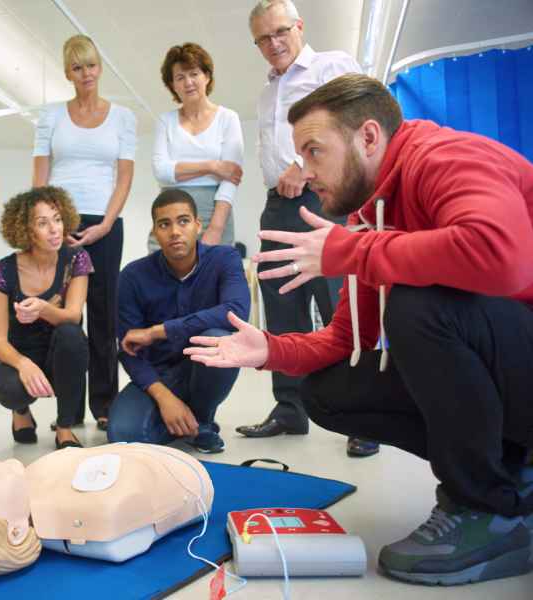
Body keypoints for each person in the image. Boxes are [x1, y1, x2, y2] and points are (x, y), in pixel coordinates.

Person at [185, 73, 533, 585]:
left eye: (313, 151)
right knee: (328, 391)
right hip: (512, 369)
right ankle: (510, 472)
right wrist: (268, 350)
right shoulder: (372, 216)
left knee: (418, 306)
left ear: (368, 137)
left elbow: (502, 258)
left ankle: (487, 508)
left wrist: (353, 252)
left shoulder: (444, 157)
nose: (305, 172)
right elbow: (345, 343)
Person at [237, 0, 378, 458]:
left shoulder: (330, 65)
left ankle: (366, 415)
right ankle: (289, 407)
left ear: (299, 26)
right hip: (279, 203)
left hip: (327, 197)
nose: (273, 43)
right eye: (262, 38)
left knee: (342, 304)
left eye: (280, 31)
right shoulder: (266, 91)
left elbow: (355, 120)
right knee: (281, 303)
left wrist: (304, 164)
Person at [33, 34, 136, 432]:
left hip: (105, 223)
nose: (86, 73)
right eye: (77, 67)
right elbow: (40, 174)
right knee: (65, 317)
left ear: (100, 66)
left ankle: (106, 403)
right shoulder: (51, 115)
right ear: (67, 73)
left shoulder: (123, 117)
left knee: (104, 317)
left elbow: (124, 177)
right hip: (60, 222)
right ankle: (69, 411)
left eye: (91, 65)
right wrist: (43, 223)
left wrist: (106, 224)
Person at [108, 189, 250, 454]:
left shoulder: (224, 259)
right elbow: (128, 349)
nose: (175, 231)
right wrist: (163, 398)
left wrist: (159, 331)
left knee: (219, 336)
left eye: (183, 221)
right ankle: (184, 420)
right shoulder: (132, 276)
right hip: (159, 374)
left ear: (198, 225)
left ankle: (203, 418)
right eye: (165, 224)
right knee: (123, 436)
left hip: (204, 366)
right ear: (154, 232)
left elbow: (237, 311)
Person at [0, 187, 92, 449]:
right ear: (25, 230)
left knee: (72, 335)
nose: (55, 229)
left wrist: (43, 308)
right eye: (43, 223)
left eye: (57, 219)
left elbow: (73, 316)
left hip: (59, 351)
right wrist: (23, 365)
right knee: (10, 389)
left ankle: (64, 427)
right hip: (19, 353)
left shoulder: (76, 259)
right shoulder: (4, 270)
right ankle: (20, 412)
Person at [151, 42, 244, 250]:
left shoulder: (228, 118)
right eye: (180, 77)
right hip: (169, 211)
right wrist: (212, 167)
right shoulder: (164, 121)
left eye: (194, 74)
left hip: (215, 211)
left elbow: (231, 178)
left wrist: (216, 228)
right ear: (172, 85)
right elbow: (161, 173)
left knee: (212, 278)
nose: (188, 82)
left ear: (207, 76)